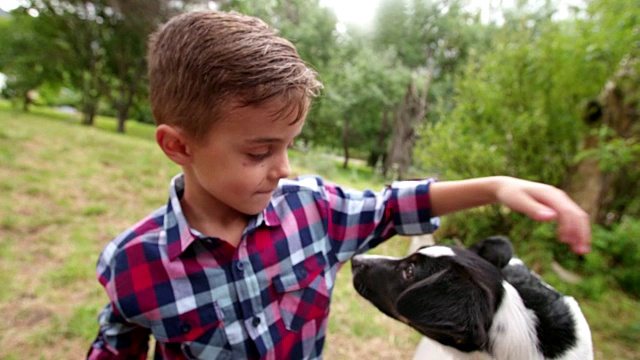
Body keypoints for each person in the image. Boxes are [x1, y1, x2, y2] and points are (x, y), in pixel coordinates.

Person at [87, 9, 591, 360]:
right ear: (178, 146)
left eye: (290, 145)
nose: (283, 169)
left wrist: (496, 186)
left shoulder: (313, 211)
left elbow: (395, 206)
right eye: (259, 152)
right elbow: (117, 347)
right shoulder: (133, 265)